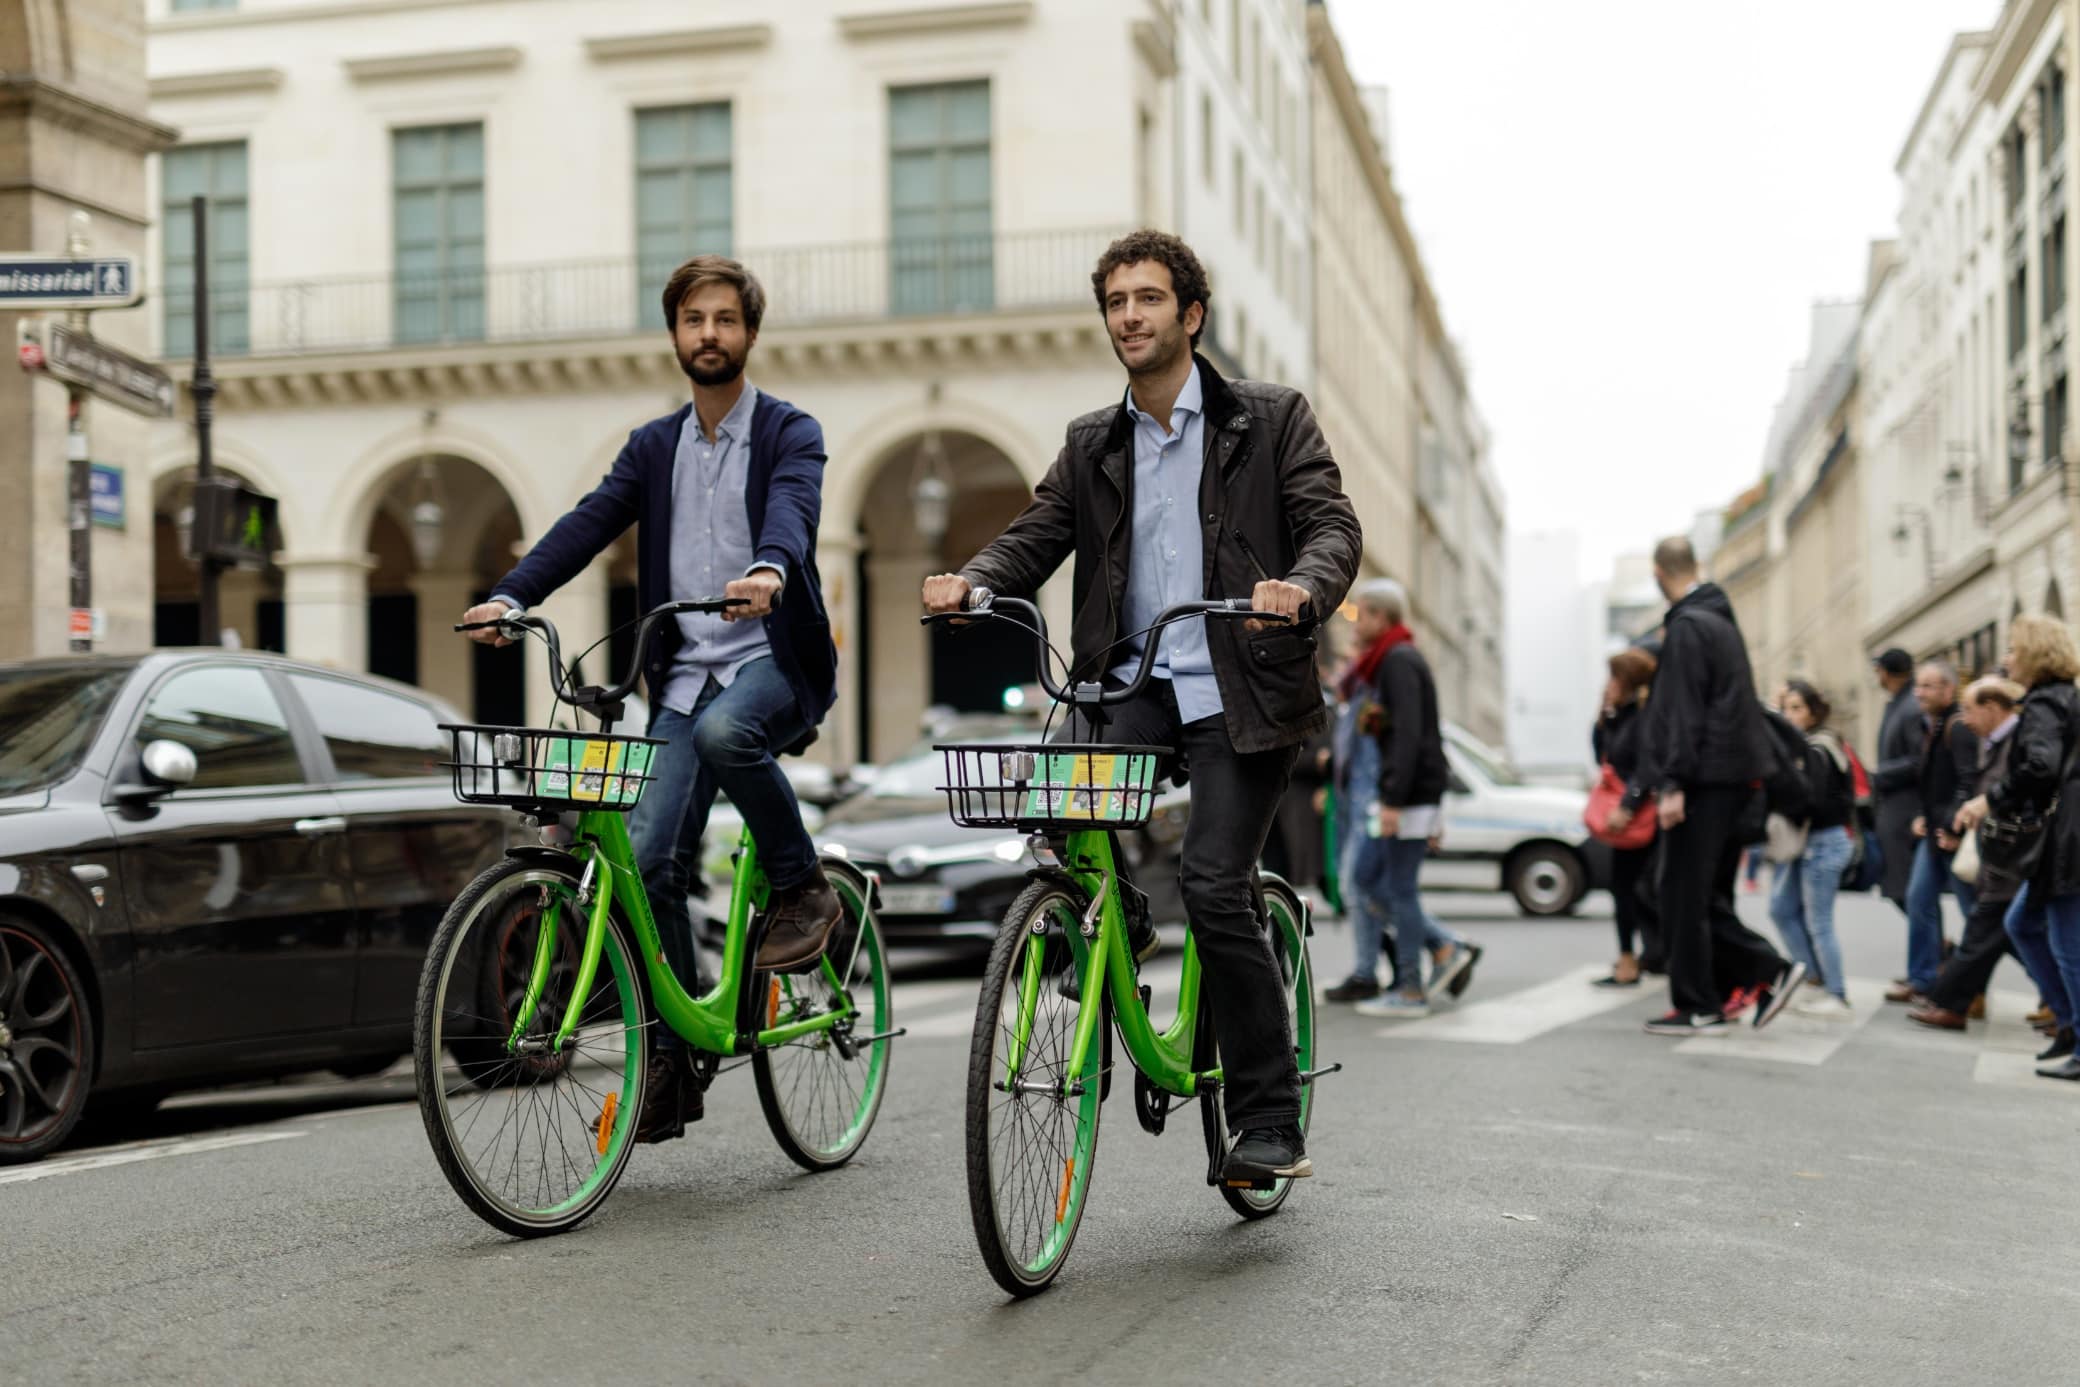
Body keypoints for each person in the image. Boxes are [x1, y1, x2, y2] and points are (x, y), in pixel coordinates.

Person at [922, 230, 1362, 1180]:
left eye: (1149, 298)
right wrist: (973, 579)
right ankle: (1113, 908)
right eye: (1117, 301)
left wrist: (1301, 587)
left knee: (1212, 880)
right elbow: (1036, 533)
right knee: (1054, 806)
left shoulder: (1271, 418)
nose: (1131, 315)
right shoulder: (1095, 442)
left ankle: (1267, 1116)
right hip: (1130, 682)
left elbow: (1331, 523)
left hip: (1243, 687)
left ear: (1190, 315)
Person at [465, 254, 841, 1141]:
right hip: (679, 672)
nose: (708, 334)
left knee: (725, 733)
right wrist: (515, 595)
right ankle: (676, 1049)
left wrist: (768, 568)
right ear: (674, 334)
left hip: (773, 659)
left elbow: (793, 509)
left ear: (748, 332)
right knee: (647, 857)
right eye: (692, 321)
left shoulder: (791, 431)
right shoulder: (653, 447)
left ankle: (805, 887)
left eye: (724, 320)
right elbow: (588, 523)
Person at [1613, 537, 1804, 1035]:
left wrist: (1672, 783)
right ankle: (1721, 992)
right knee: (1695, 896)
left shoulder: (1688, 627)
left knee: (1678, 895)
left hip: (1702, 782)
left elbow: (1683, 710)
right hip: (1728, 781)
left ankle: (1735, 986)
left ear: (1659, 573)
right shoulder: (1719, 621)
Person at [1318, 580, 1478, 1018]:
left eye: (1361, 613)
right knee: (1373, 882)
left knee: (1393, 888)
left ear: (1382, 618)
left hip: (1403, 800)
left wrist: (1392, 801)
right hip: (1409, 798)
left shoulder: (1398, 661)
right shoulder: (1387, 661)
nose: (1354, 623)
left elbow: (1409, 736)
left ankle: (1411, 987)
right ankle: (1440, 951)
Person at [1954, 615, 2080, 1079]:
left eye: (2012, 650)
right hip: (2063, 836)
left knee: (2067, 943)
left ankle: (2077, 1037)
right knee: (2022, 922)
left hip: (2067, 839)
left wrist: (1992, 798)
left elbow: (2041, 765)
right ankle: (2068, 1025)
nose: (2006, 659)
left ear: (2033, 654)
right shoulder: (2064, 699)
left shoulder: (2046, 703)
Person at [1909, 677, 2024, 1030]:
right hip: (1994, 848)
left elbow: (1990, 785)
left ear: (1992, 708)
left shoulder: (2015, 740)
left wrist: (1959, 822)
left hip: (2011, 852)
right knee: (1999, 928)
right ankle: (1951, 999)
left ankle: (1949, 999)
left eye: (1971, 709)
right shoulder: (1993, 739)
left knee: (1999, 927)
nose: (1966, 718)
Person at [1767, 681, 1857, 1019]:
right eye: (1786, 708)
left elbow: (1812, 800)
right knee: (1780, 908)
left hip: (1824, 842)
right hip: (1808, 843)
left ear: (1813, 711)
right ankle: (1813, 976)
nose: (1789, 715)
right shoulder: (1805, 747)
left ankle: (1836, 992)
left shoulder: (1820, 748)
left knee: (1819, 921)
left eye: (1796, 708)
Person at [1890, 660, 1978, 1004]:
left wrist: (1953, 826)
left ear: (1947, 690)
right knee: (1919, 900)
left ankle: (2047, 991)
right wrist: (1924, 816)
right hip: (1936, 833)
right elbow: (1937, 783)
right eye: (1918, 686)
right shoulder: (1936, 725)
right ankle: (1923, 979)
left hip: (1951, 836)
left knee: (1978, 917)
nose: (1919, 693)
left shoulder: (1958, 726)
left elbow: (1967, 781)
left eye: (1928, 687)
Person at [1593, 645, 1662, 986]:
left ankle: (1651, 955)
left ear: (1628, 681)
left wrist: (1628, 805)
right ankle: (1629, 959)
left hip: (1642, 815)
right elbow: (1602, 758)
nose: (1608, 683)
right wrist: (1604, 715)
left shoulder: (1645, 717)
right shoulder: (1619, 716)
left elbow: (1647, 767)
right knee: (1622, 888)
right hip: (1627, 815)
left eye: (1614, 677)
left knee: (1643, 889)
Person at [1870, 647, 1923, 930]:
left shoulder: (1911, 707)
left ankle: (1935, 954)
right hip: (1893, 806)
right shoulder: (1898, 704)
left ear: (1886, 672)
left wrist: (1880, 774)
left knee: (1906, 889)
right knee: (1899, 888)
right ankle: (1934, 953)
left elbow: (1918, 760)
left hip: (1904, 809)